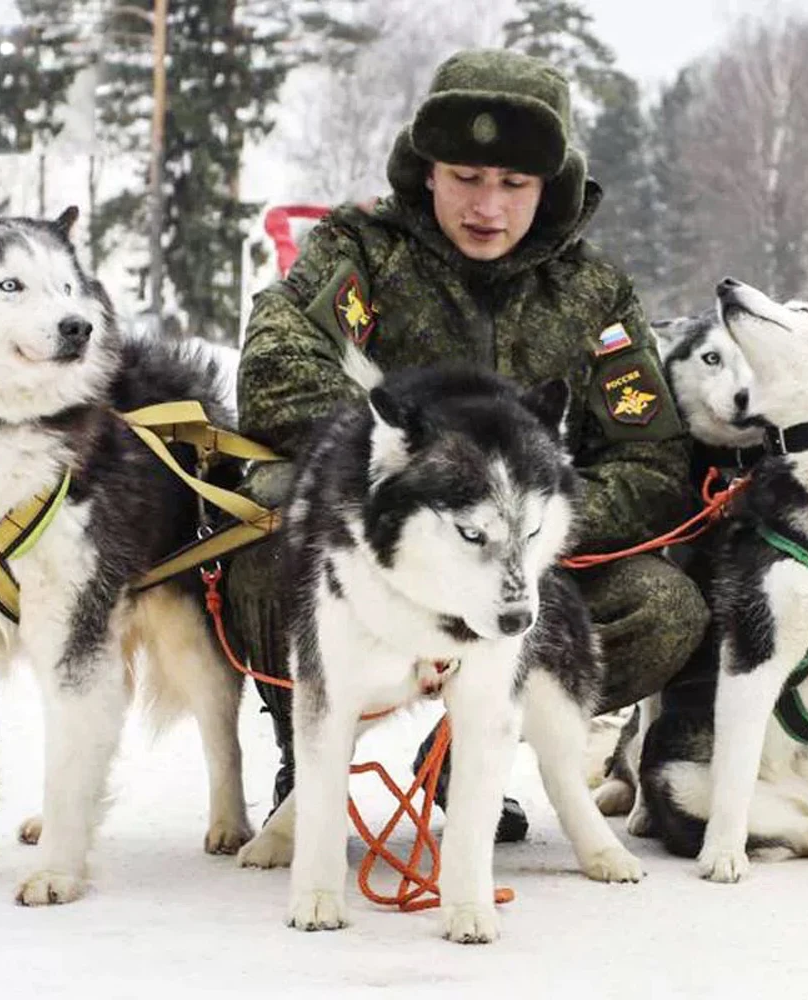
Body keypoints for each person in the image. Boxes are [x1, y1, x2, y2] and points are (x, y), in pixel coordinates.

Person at [225, 48, 709, 841]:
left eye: (515, 185)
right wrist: (400, 488)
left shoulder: (596, 294)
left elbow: (651, 462)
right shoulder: (360, 249)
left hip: (520, 570)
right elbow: (278, 372)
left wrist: (529, 514)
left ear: (549, 188)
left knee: (662, 607)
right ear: (426, 171)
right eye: (466, 177)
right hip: (374, 549)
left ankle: (469, 748)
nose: (489, 205)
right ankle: (312, 738)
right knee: (265, 551)